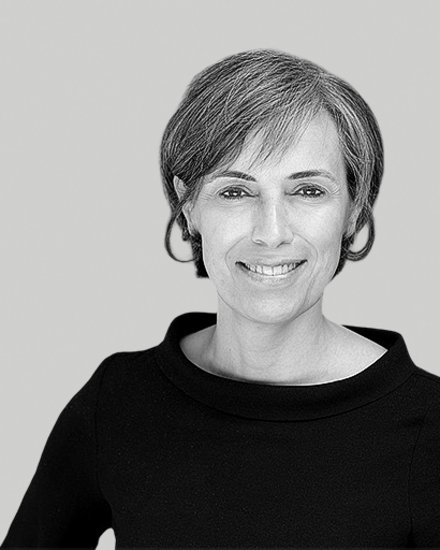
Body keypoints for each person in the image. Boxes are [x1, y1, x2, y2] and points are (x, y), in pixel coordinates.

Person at [2, 49, 439, 549]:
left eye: (308, 191)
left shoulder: (430, 428)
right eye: (235, 192)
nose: (271, 233)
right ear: (188, 206)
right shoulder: (119, 402)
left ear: (354, 210)